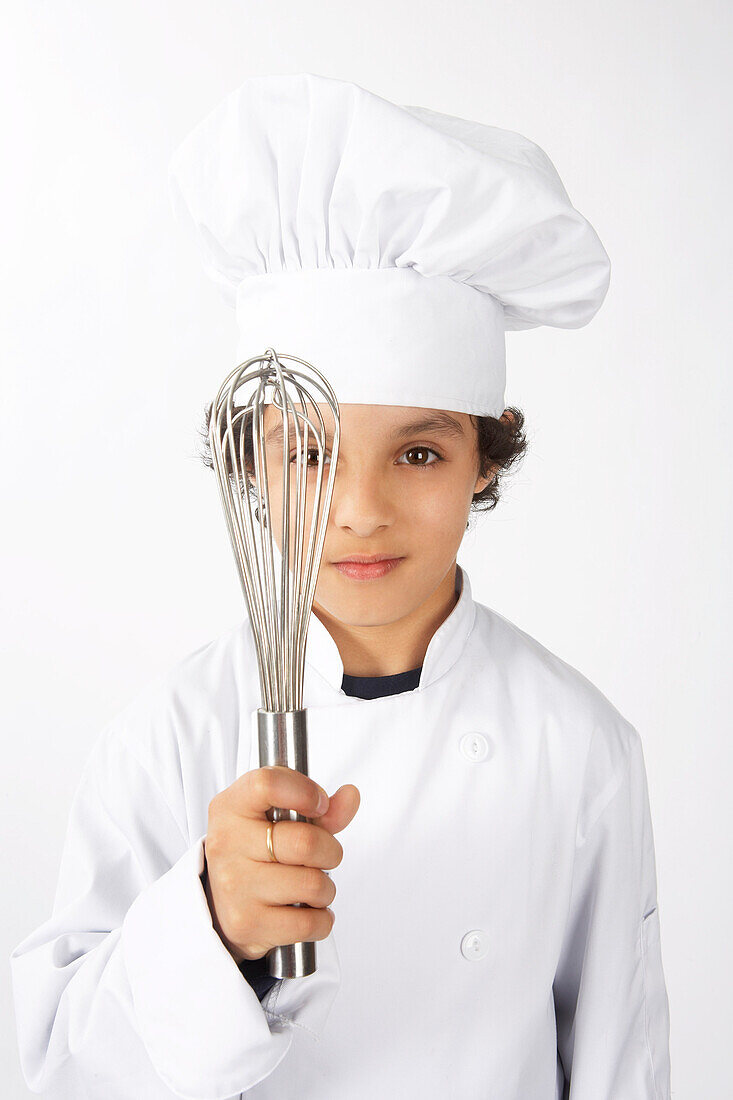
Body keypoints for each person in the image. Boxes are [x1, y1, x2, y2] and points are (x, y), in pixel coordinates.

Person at [10, 73, 672, 1099]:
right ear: (249, 463)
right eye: (307, 453)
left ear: (484, 464)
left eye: (416, 454)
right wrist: (209, 930)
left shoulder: (580, 745)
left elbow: (618, 1060)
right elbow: (53, 1072)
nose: (358, 507)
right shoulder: (167, 736)